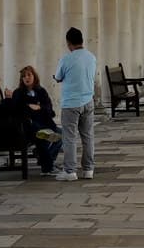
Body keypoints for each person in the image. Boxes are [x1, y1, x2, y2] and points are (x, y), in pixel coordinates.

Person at [52, 27, 97, 182]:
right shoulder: (91, 57)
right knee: (88, 136)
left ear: (69, 42)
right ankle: (88, 169)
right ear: (82, 40)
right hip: (88, 101)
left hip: (71, 103)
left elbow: (58, 77)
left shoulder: (66, 59)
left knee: (70, 137)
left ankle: (70, 171)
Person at [14, 65, 63, 175]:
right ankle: (47, 166)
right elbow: (19, 110)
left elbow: (49, 109)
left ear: (34, 76)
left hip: (45, 124)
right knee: (42, 135)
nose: (27, 78)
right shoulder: (18, 93)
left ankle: (45, 160)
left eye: (29, 75)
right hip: (30, 128)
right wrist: (32, 107)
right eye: (24, 76)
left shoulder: (41, 91)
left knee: (61, 135)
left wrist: (39, 107)